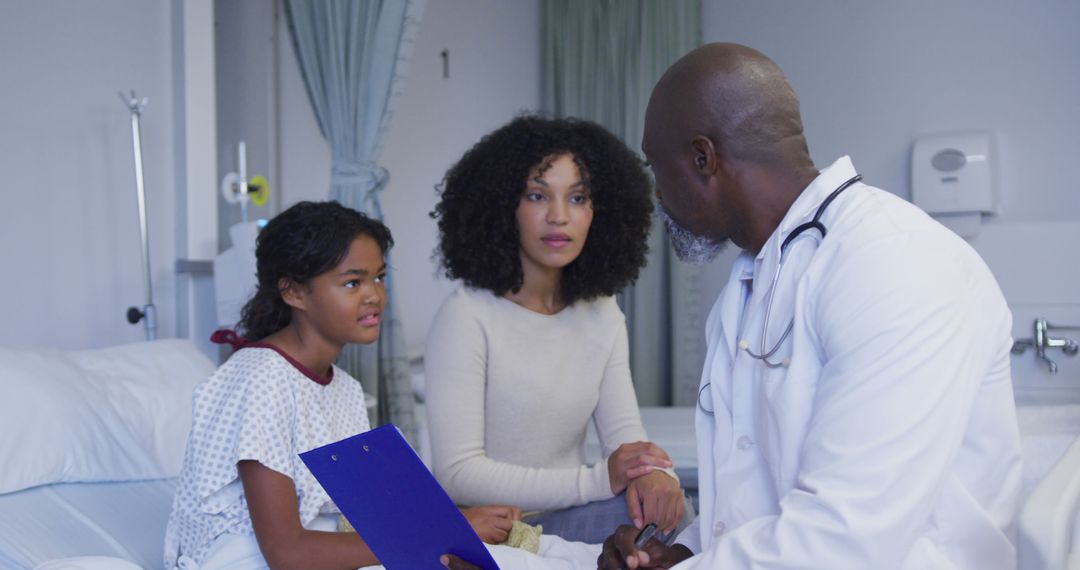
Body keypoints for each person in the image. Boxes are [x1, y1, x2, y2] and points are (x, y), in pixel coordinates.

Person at [595, 42, 1023, 569]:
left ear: (703, 159)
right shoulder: (750, 286)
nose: (659, 196)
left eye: (657, 169)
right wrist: (676, 551)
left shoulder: (894, 263)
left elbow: (845, 541)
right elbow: (754, 495)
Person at [163, 201, 521, 569]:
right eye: (353, 282)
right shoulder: (262, 379)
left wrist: (457, 527)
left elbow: (368, 520)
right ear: (293, 292)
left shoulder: (345, 390)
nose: (375, 296)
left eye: (379, 277)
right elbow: (286, 553)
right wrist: (449, 531)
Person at [425, 115, 688, 545]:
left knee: (675, 510)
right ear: (504, 208)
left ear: (599, 212)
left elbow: (625, 435)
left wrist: (658, 475)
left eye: (578, 198)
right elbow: (458, 475)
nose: (559, 217)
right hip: (496, 527)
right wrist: (597, 481)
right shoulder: (467, 316)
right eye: (536, 195)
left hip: (570, 514)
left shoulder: (602, 313)